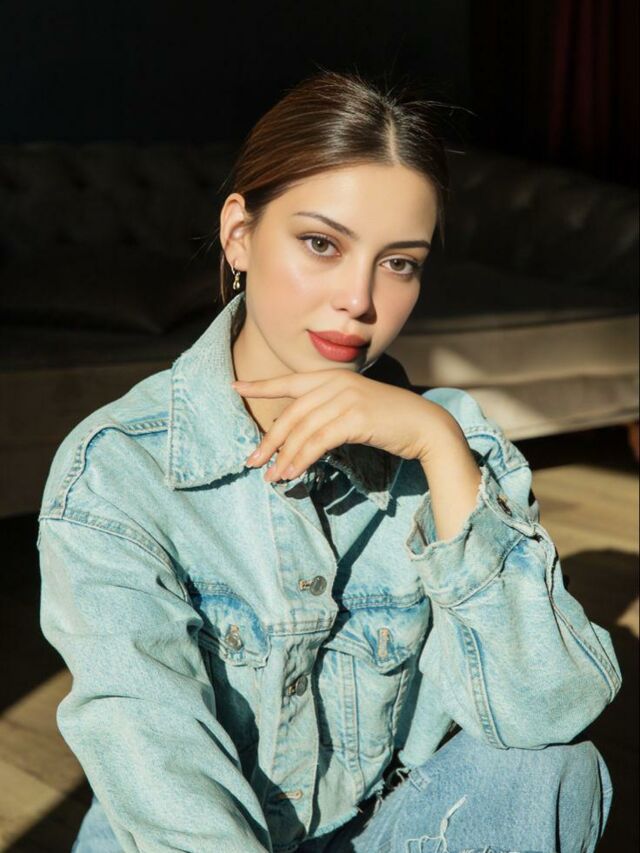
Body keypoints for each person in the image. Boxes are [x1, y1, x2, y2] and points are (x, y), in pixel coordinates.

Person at [38, 69, 620, 853]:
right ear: (239, 234)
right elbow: (162, 777)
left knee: (552, 769)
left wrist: (439, 449)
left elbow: (549, 708)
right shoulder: (117, 472)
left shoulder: (453, 442)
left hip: (375, 830)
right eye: (321, 243)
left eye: (400, 262)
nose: (359, 299)